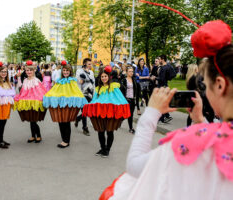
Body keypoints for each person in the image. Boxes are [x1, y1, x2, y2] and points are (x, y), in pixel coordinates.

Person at [100, 20, 233, 200]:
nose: (206, 93)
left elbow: (136, 165)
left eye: (206, 85)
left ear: (219, 85)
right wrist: (201, 122)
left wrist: (151, 112)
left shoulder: (194, 141)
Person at [83, 66, 130, 157]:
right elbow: (94, 100)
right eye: (102, 77)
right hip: (100, 112)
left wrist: (121, 107)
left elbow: (120, 98)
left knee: (109, 131)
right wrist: (90, 106)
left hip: (110, 112)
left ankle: (107, 149)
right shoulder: (98, 89)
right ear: (100, 78)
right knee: (100, 131)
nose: (104, 78)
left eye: (105, 76)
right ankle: (103, 148)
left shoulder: (114, 87)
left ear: (109, 77)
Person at [43, 64, 87, 148]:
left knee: (66, 122)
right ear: (62, 71)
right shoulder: (59, 80)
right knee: (60, 121)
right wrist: (49, 97)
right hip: (60, 102)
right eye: (64, 70)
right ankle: (64, 139)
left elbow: (76, 91)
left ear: (70, 72)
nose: (65, 72)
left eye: (67, 71)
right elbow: (54, 90)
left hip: (68, 103)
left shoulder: (72, 81)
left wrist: (79, 99)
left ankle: (66, 141)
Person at [14, 61, 47, 143]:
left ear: (33, 71)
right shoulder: (25, 80)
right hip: (27, 102)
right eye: (27, 70)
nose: (28, 72)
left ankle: (38, 136)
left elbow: (41, 91)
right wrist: (18, 78)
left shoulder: (36, 80)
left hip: (35, 102)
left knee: (33, 120)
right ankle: (33, 136)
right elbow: (21, 89)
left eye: (30, 70)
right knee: (30, 119)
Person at [75, 58, 95, 136]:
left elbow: (93, 82)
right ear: (84, 64)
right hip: (82, 93)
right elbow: (78, 82)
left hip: (89, 94)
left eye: (91, 64)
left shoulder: (92, 72)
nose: (90, 65)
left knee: (86, 111)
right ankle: (85, 127)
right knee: (85, 110)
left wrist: (94, 94)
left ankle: (78, 118)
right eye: (89, 64)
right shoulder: (79, 71)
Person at [157, 55, 174, 123]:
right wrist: (168, 78)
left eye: (160, 59)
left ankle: (163, 117)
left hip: (162, 86)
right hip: (165, 85)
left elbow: (161, 78)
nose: (159, 60)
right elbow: (174, 74)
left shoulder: (163, 68)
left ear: (162, 59)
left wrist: (155, 78)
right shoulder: (169, 66)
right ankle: (164, 116)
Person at [121, 66, 137, 134]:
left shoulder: (134, 80)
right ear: (127, 72)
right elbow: (122, 90)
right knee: (129, 114)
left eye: (132, 71)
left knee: (130, 114)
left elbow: (136, 89)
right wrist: (124, 99)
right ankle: (131, 128)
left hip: (133, 99)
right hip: (127, 99)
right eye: (130, 71)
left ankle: (120, 120)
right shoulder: (124, 80)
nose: (131, 73)